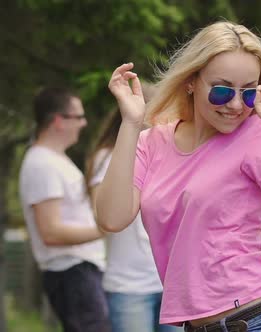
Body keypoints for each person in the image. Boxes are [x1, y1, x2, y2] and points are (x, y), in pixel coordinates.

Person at [96, 21, 261, 331]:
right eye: (222, 89)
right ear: (191, 81)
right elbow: (112, 217)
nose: (235, 104)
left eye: (248, 92)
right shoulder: (152, 143)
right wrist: (132, 124)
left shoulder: (258, 134)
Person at [85, 84, 181, 332]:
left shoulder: (168, 155)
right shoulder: (109, 157)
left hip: (171, 286)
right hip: (129, 286)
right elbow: (105, 217)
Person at [18, 87, 110, 332]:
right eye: (78, 116)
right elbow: (51, 232)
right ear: (59, 121)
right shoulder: (42, 164)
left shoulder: (54, 160)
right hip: (72, 272)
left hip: (79, 272)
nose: (84, 122)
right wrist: (105, 229)